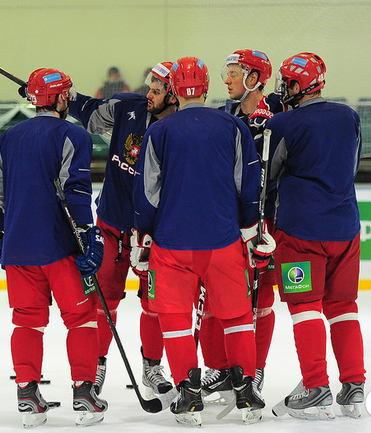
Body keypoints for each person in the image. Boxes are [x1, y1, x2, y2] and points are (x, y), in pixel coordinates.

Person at [132, 56, 275, 426]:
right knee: (237, 315)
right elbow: (248, 185)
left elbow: (147, 192)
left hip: (171, 243)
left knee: (175, 317)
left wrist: (143, 236)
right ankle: (246, 391)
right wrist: (250, 230)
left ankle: (188, 393)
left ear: (176, 91)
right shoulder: (232, 126)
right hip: (223, 241)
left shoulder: (159, 132)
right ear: (207, 87)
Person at [0, 67, 108, 427]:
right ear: (61, 97)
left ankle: (27, 396)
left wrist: (6, 232)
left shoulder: (9, 137)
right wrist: (88, 234)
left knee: (27, 321)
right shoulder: (74, 134)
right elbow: (76, 191)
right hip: (60, 246)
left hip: (19, 248)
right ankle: (84, 395)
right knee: (81, 317)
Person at [68, 62, 178, 402]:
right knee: (104, 299)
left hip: (154, 232)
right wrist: (61, 95)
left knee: (155, 303)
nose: (149, 95)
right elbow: (89, 112)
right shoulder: (129, 106)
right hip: (113, 224)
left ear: (174, 96)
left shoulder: (181, 129)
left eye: (157, 91)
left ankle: (152, 367)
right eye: (150, 88)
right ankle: (97, 365)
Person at [265, 52, 366, 420]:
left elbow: (268, 175)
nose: (283, 88)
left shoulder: (282, 123)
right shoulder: (349, 116)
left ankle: (316, 387)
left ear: (298, 85)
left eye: (286, 82)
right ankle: (353, 387)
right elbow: (352, 166)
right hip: (345, 227)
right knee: (343, 306)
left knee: (305, 307)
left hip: (300, 231)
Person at [199, 49, 283, 405]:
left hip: (266, 218)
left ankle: (255, 368)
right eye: (228, 72)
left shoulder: (278, 115)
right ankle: (219, 367)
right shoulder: (224, 116)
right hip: (226, 220)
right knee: (215, 296)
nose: (227, 79)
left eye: (235, 72)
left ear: (254, 78)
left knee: (261, 299)